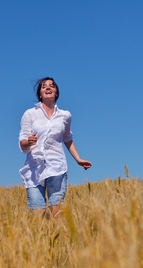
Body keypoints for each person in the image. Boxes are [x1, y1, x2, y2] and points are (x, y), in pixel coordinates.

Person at [18, 77, 92, 217]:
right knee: (38, 215)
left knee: (56, 213)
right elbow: (22, 142)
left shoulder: (65, 115)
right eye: (44, 86)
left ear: (56, 92)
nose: (48, 88)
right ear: (40, 94)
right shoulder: (30, 114)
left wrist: (78, 159)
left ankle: (57, 237)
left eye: (52, 86)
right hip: (35, 168)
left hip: (57, 166)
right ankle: (42, 238)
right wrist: (28, 141)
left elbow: (67, 138)